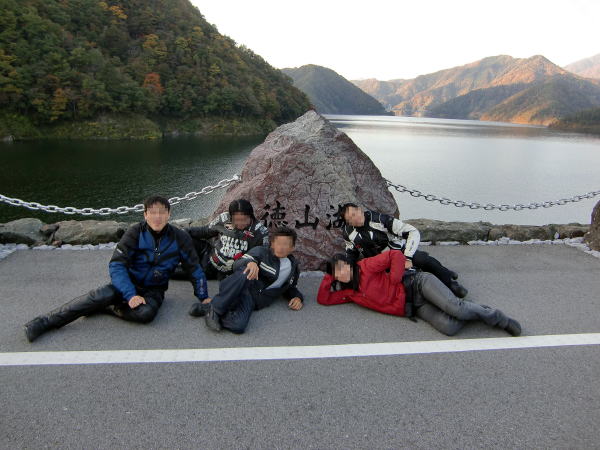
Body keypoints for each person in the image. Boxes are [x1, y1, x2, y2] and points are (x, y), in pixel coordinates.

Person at [23, 196, 209, 342]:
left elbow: (194, 269)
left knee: (146, 314)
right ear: (145, 215)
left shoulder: (180, 238)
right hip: (128, 283)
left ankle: (109, 308)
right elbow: (117, 265)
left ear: (169, 214)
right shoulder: (135, 232)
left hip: (154, 290)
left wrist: (204, 296)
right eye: (152, 213)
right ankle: (45, 322)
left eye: (162, 212)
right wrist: (130, 294)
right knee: (97, 296)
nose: (157, 217)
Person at [317, 251, 521, 337]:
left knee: (455, 308)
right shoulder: (350, 293)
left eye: (342, 267)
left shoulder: (366, 266)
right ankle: (473, 310)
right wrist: (328, 275)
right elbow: (323, 299)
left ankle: (498, 318)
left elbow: (395, 255)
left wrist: (395, 278)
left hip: (417, 284)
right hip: (414, 307)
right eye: (336, 273)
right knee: (449, 327)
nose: (341, 274)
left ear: (349, 264)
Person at [339, 203, 468, 298]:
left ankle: (450, 281)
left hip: (398, 252)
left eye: (354, 214)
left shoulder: (380, 219)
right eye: (350, 219)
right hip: (379, 262)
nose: (354, 219)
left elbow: (412, 231)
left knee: (422, 259)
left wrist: (408, 257)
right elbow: (351, 253)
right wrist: (347, 272)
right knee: (405, 283)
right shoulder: (348, 233)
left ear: (360, 210)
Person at [195, 226, 304, 334]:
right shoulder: (262, 252)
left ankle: (208, 308)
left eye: (285, 244)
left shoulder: (293, 267)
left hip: (252, 300)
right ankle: (216, 309)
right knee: (246, 270)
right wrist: (250, 263)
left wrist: (297, 298)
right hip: (239, 288)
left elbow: (290, 287)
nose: (281, 247)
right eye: (279, 243)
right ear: (272, 244)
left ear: (292, 247)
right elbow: (237, 264)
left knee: (238, 326)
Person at [172, 199, 269, 283]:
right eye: (236, 220)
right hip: (208, 255)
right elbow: (205, 231)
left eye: (244, 220)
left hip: (223, 271)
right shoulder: (224, 219)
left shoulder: (260, 232)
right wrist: (184, 232)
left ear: (251, 216)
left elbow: (262, 255)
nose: (240, 224)